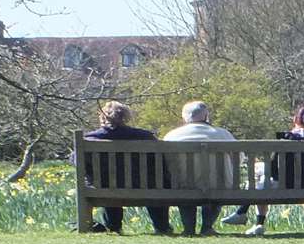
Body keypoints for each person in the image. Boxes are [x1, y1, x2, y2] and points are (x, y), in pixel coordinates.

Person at [222, 105, 304, 236]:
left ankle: (247, 216)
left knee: (260, 183)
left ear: (296, 120)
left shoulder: (288, 139)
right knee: (263, 179)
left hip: (285, 186)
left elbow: (274, 170)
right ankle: (250, 220)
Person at [83, 102, 171, 235]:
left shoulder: (89, 139)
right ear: (125, 117)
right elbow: (160, 162)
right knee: (154, 182)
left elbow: (77, 162)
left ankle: (113, 227)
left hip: (105, 189)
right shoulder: (145, 137)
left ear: (102, 117)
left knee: (106, 181)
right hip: (144, 187)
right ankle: (162, 227)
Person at [162, 99, 236, 235]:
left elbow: (165, 163)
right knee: (218, 183)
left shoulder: (172, 136)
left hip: (182, 186)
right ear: (206, 115)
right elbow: (237, 159)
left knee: (184, 186)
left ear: (184, 117)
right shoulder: (223, 134)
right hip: (218, 186)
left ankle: (189, 228)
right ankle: (207, 227)